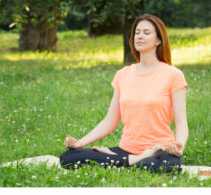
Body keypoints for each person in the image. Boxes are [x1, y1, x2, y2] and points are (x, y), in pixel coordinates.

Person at [60, 14, 188, 174]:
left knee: (171, 165)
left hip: (159, 150)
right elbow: (109, 121)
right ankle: (135, 159)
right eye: (137, 32)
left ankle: (117, 160)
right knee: (68, 157)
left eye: (146, 33)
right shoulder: (123, 74)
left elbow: (181, 122)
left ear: (158, 40)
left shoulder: (173, 75)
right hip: (126, 150)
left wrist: (179, 145)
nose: (140, 36)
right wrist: (80, 143)